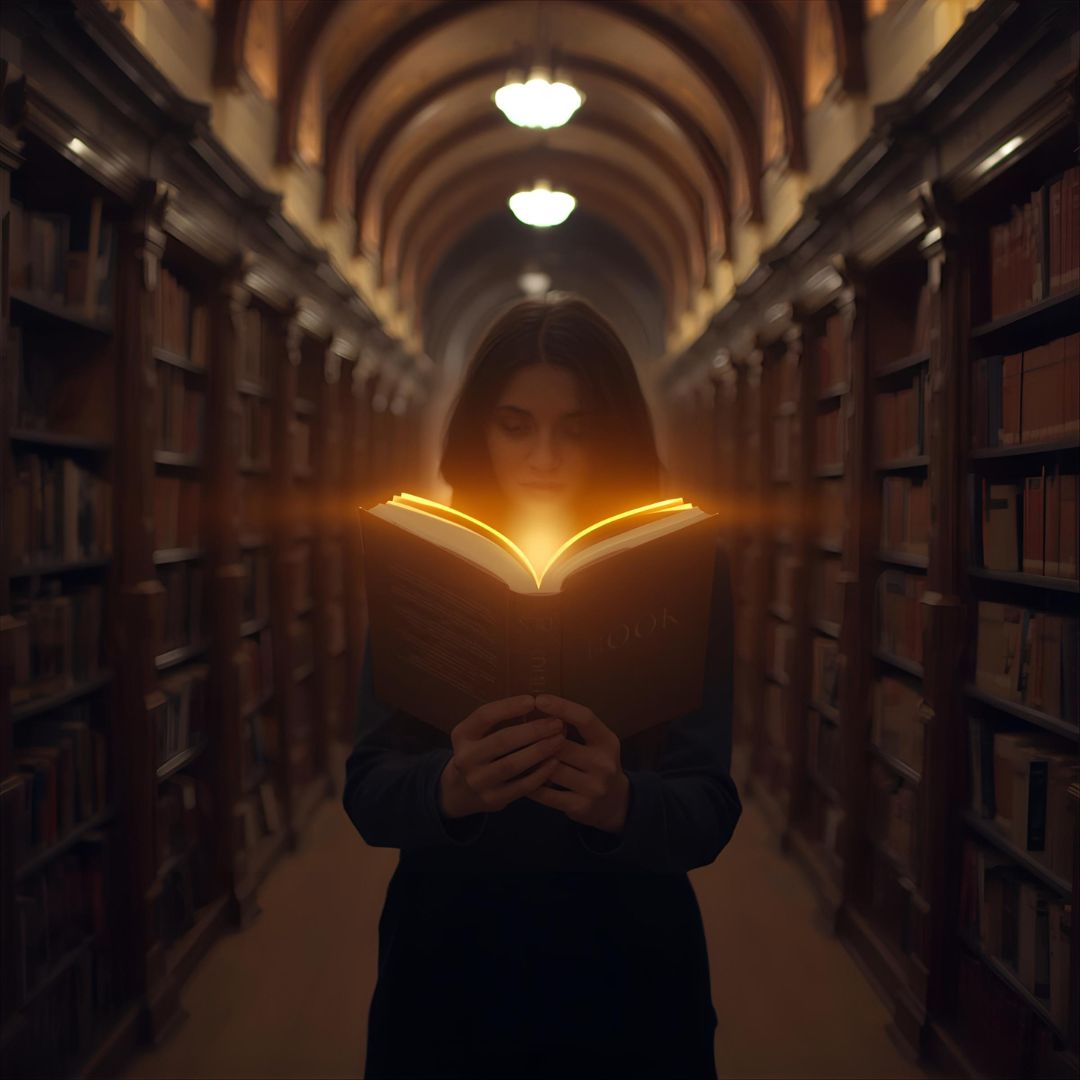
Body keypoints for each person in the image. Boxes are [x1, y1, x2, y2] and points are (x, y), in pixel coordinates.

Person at [343, 295, 742, 1079]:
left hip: (628, 964)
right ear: (475, 428)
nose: (544, 456)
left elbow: (711, 806)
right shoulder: (429, 566)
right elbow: (367, 791)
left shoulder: (686, 570)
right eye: (515, 423)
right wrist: (450, 788)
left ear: (617, 431)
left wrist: (622, 803)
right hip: (449, 961)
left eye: (578, 428)